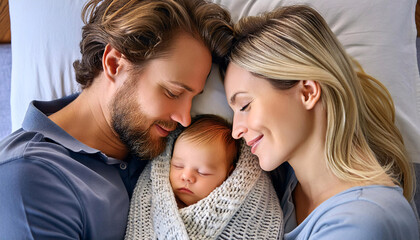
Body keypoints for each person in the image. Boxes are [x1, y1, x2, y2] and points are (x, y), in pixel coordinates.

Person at [0, 0, 233, 239]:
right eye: (172, 93)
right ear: (114, 64)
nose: (184, 119)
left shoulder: (164, 146)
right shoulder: (30, 179)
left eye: (193, 99)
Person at [223, 5, 419, 239]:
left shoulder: (361, 223)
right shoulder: (292, 183)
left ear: (307, 92)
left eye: (245, 106)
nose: (236, 131)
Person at [124, 114, 283, 239]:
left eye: (202, 172)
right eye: (178, 166)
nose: (186, 176)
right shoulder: (153, 201)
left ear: (229, 175)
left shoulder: (242, 209)